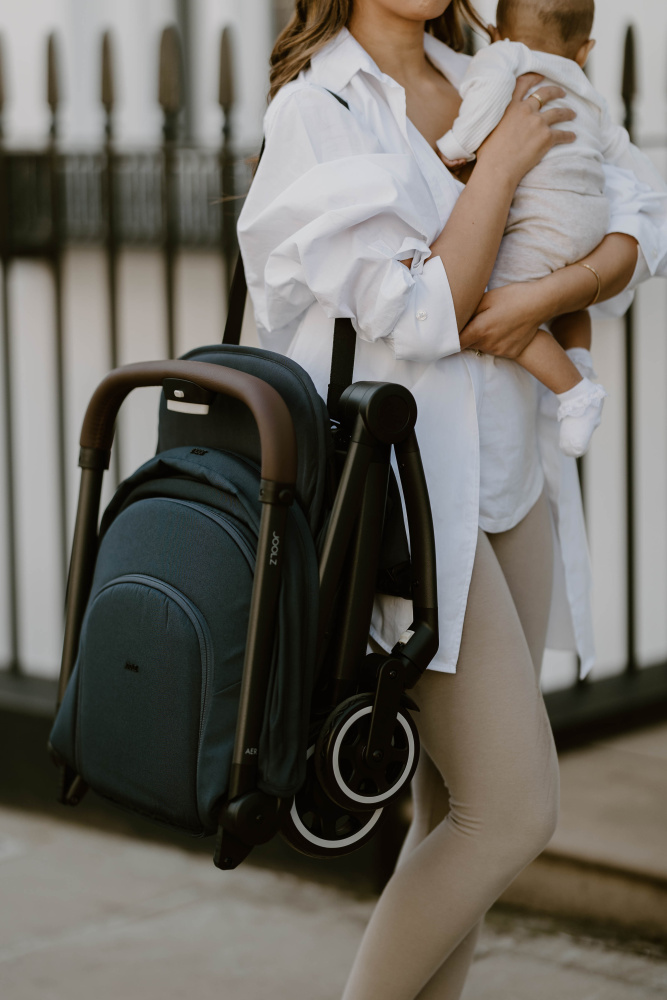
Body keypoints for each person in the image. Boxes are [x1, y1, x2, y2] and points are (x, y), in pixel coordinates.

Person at [237, 1, 667, 997]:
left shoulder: (489, 69)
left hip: (511, 480)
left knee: (452, 814)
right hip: (405, 507)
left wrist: (549, 292)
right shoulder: (319, 109)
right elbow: (424, 310)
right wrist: (504, 167)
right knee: (509, 815)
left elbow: (637, 212)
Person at [437, 0, 666, 457]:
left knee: (489, 306)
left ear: (496, 35)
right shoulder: (585, 90)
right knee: (565, 297)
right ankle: (579, 359)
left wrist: (454, 146)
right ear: (584, 50)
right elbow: (626, 156)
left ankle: (575, 391)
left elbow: (486, 101)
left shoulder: (505, 56)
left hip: (543, 217)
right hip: (591, 219)